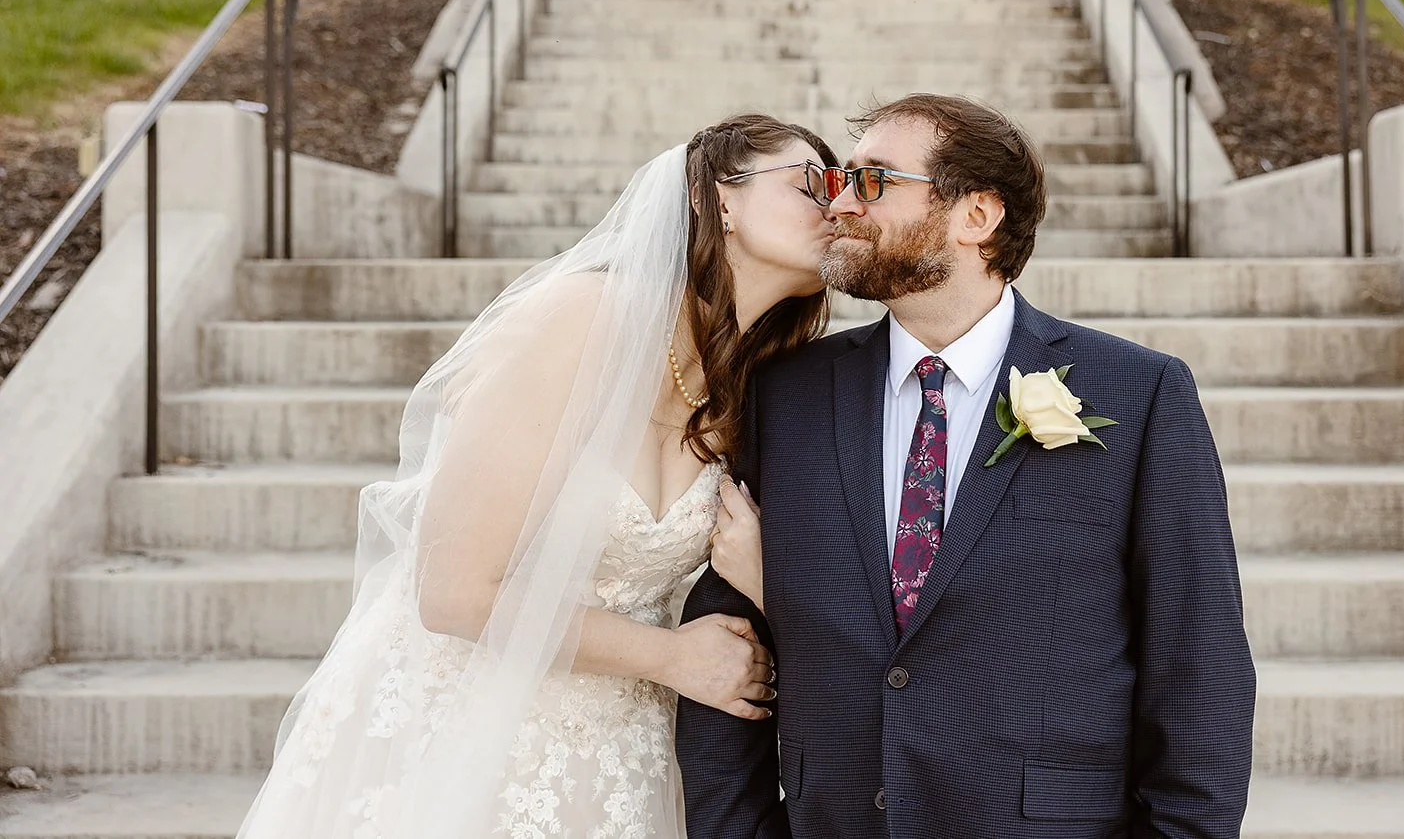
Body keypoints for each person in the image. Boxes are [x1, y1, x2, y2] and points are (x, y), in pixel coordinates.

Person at [235, 114, 840, 839]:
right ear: (721, 199)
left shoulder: (759, 388)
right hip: (470, 730)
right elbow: (453, 591)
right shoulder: (582, 319)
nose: (835, 206)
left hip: (626, 759)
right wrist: (672, 656)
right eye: (810, 183)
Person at [679, 93, 1256, 839]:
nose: (843, 203)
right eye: (842, 179)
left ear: (977, 217)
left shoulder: (1139, 394)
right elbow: (727, 645)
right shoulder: (785, 396)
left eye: (875, 181)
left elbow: (1199, 667)